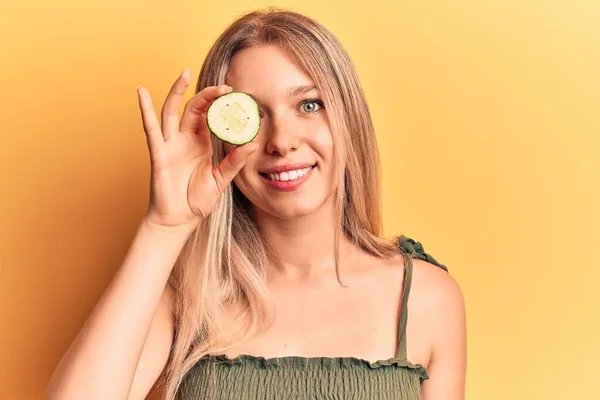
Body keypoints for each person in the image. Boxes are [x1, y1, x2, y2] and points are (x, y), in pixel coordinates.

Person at [45, 7, 466, 400]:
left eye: (309, 105)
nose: (281, 141)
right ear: (219, 134)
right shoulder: (186, 295)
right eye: (254, 115)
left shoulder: (426, 297)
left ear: (348, 117)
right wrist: (164, 226)